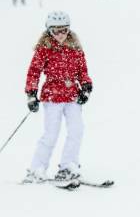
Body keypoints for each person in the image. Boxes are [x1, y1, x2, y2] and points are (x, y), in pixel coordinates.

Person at [22, 11, 93, 184]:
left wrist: (86, 87)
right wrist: (31, 94)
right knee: (51, 133)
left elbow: (82, 71)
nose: (61, 35)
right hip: (52, 96)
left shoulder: (75, 48)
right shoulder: (44, 49)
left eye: (64, 30)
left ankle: (68, 166)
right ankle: (37, 169)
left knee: (77, 130)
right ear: (48, 31)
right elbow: (34, 72)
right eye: (56, 31)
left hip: (72, 96)